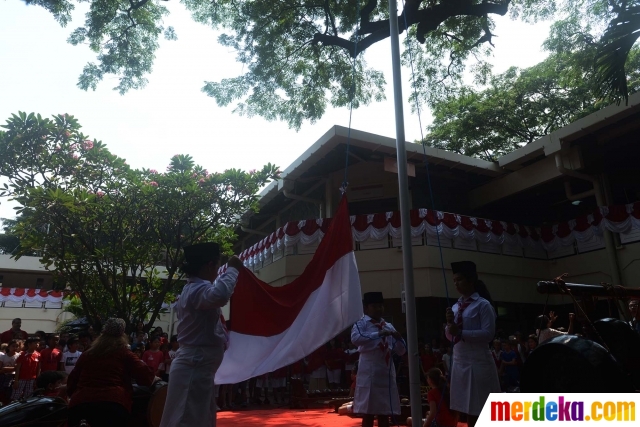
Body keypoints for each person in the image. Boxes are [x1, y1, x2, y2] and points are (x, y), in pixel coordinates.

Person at [160, 242, 243, 427]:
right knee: (187, 419)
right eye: (218, 266)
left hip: (197, 365)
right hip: (195, 364)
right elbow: (221, 294)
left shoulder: (193, 289)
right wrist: (232, 270)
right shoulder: (197, 290)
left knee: (197, 417)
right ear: (210, 265)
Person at [66, 318, 156, 427]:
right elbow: (146, 377)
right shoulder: (125, 354)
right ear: (123, 335)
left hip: (80, 404)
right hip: (114, 403)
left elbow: (72, 381)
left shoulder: (87, 354)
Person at [445, 261, 500, 427]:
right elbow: (450, 337)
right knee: (466, 408)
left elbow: (488, 334)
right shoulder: (455, 307)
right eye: (454, 280)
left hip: (478, 362)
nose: (456, 284)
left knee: (480, 408)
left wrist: (460, 332)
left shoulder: (483, 305)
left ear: (470, 281)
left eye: (460, 280)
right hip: (460, 362)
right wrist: (449, 327)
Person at [351, 292, 406, 427]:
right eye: (374, 306)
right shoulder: (361, 323)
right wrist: (378, 334)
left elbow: (401, 351)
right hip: (369, 371)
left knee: (385, 411)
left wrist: (399, 339)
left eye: (380, 306)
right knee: (368, 411)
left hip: (386, 371)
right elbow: (356, 339)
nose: (378, 309)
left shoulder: (388, 325)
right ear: (366, 308)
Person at [0, 340, 20, 404]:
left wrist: (6, 368)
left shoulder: (18, 356)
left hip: (13, 376)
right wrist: (12, 368)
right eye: (13, 346)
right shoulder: (3, 356)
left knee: (9, 391)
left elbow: (17, 368)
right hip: (3, 376)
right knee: (2, 390)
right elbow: (1, 368)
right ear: (9, 347)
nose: (15, 348)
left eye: (16, 346)